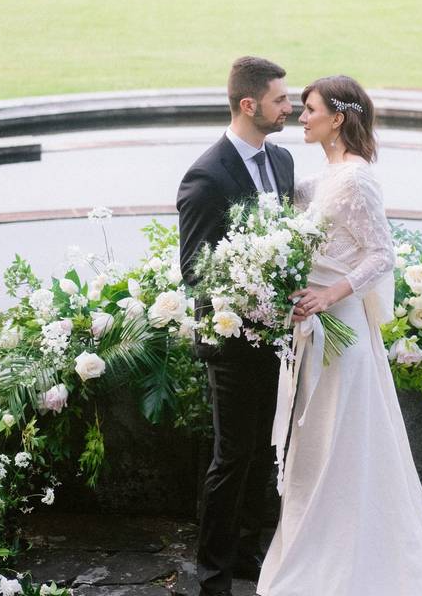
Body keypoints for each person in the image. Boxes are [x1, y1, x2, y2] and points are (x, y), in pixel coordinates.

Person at [256, 75, 422, 596]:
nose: (302, 116)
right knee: (315, 444)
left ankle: (352, 557)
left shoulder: (357, 180)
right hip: (315, 330)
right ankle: (317, 544)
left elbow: (382, 254)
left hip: (344, 334)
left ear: (337, 118)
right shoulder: (323, 176)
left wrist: (329, 295)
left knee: (343, 444)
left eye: (310, 109)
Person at [177, 56, 295, 596]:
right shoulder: (206, 177)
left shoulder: (285, 161)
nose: (289, 108)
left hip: (282, 340)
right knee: (231, 457)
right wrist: (236, 323)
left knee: (267, 451)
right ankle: (213, 574)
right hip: (232, 344)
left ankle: (250, 555)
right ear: (249, 105)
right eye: (280, 100)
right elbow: (195, 273)